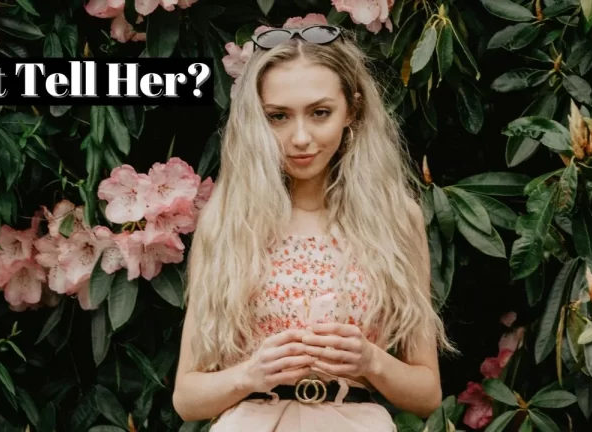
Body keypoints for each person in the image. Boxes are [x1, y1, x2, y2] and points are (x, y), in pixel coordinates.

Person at [172, 24, 455, 431]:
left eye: (320, 112)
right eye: (278, 117)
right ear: (257, 120)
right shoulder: (229, 219)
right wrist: (251, 374)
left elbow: (427, 395)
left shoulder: (395, 218)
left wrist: (371, 360)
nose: (300, 137)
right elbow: (187, 398)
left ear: (352, 110)